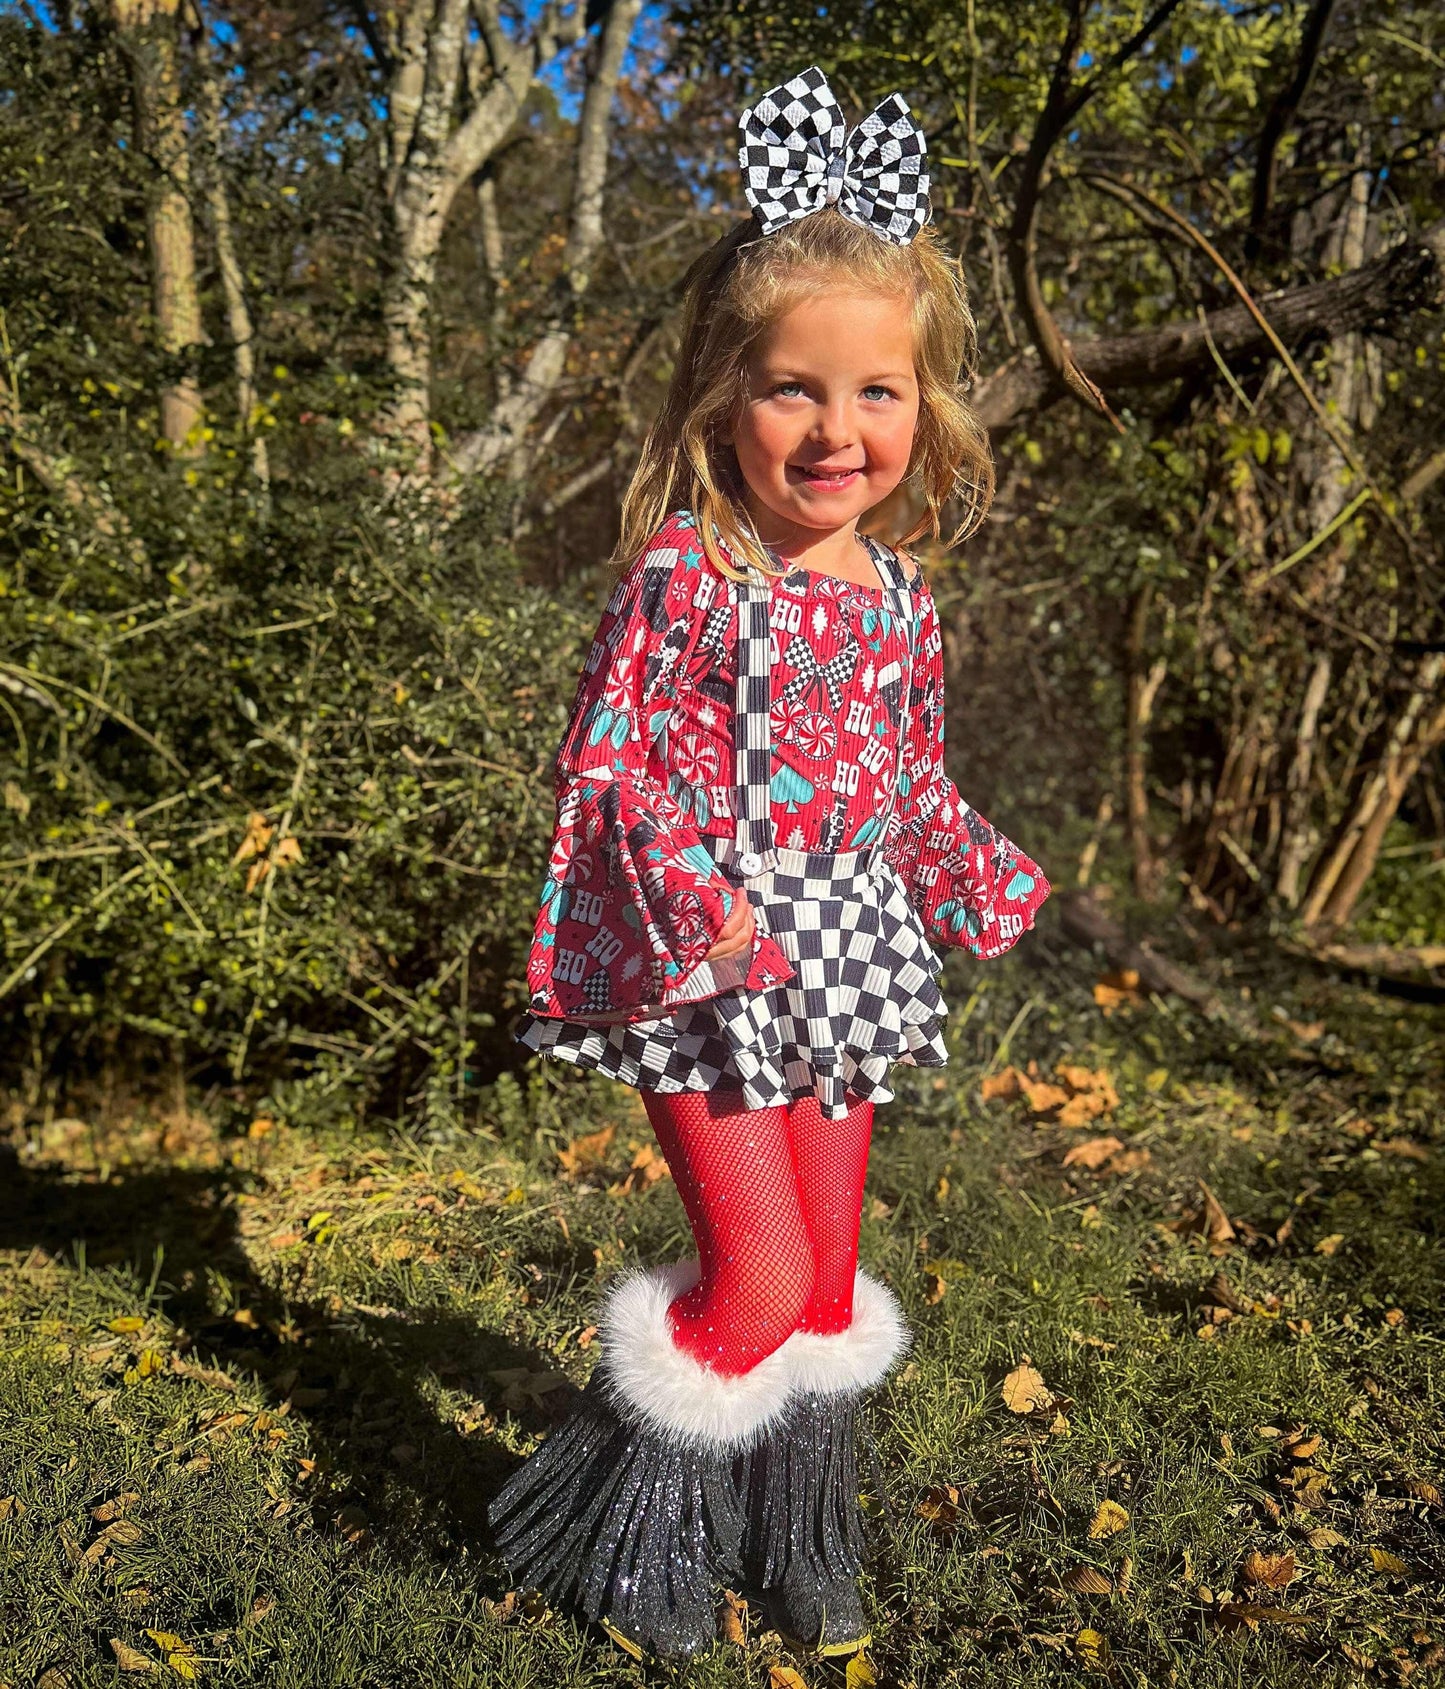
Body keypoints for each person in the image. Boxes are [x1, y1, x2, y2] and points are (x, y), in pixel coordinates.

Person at [488, 65, 1051, 1660]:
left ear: (923, 410)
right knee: (754, 1276)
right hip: (710, 965)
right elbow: (614, 766)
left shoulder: (897, 596)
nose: (834, 429)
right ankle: (613, 1524)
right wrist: (696, 905)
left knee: (822, 1290)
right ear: (723, 397)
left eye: (875, 394)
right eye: (794, 389)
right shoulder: (690, 571)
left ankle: (792, 1526)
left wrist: (970, 866)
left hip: (850, 954)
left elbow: (903, 778)